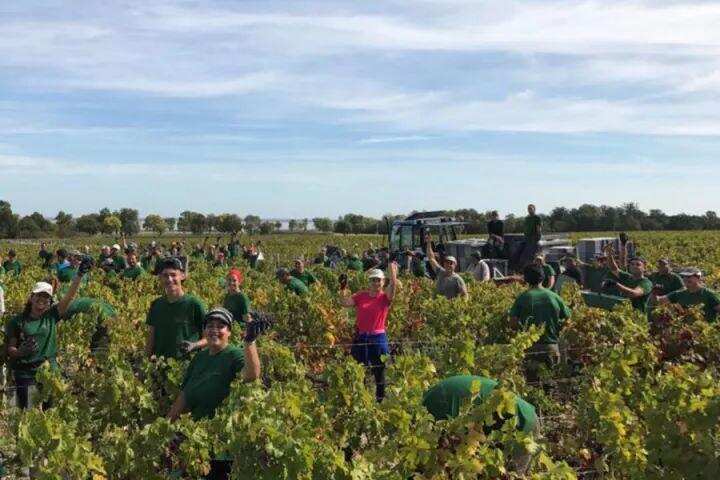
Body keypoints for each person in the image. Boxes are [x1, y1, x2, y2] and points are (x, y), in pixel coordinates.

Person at [168, 307, 263, 480]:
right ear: (204, 331)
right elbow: (184, 396)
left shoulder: (234, 355)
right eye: (210, 325)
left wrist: (250, 342)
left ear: (229, 332)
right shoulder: (199, 358)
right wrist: (167, 427)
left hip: (223, 448)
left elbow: (251, 375)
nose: (214, 330)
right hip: (195, 440)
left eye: (221, 326)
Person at [5, 257, 91, 408]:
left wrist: (79, 275)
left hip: (49, 372)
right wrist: (20, 351)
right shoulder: (17, 321)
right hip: (25, 374)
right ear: (32, 297)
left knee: (49, 414)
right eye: (39, 296)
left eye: (46, 298)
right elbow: (10, 349)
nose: (42, 300)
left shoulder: (52, 316)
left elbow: (69, 296)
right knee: (26, 416)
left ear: (50, 301)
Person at [422, 375, 537, 473]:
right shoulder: (431, 402)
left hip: (524, 424)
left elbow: (453, 448)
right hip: (514, 416)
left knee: (512, 473)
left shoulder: (433, 415)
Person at [339, 264, 398, 402]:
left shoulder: (385, 298)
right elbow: (344, 303)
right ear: (369, 282)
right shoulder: (361, 296)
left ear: (383, 282)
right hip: (362, 336)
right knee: (359, 370)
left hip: (378, 338)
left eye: (378, 280)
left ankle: (380, 400)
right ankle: (361, 398)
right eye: (373, 280)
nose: (376, 282)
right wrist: (342, 288)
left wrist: (393, 274)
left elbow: (393, 289)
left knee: (379, 371)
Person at [509, 264, 571, 381]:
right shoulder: (554, 297)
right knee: (551, 385)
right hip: (551, 347)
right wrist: (557, 329)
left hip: (530, 348)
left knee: (532, 385)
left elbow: (512, 323)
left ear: (526, 279)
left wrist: (522, 332)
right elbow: (568, 319)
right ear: (543, 278)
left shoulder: (523, 298)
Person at [145, 257, 207, 359]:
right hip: (159, 365)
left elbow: (207, 338)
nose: (169, 279)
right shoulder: (156, 305)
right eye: (165, 275)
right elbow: (150, 338)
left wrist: (194, 345)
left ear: (182, 276)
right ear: (160, 278)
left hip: (186, 366)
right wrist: (145, 362)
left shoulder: (194, 304)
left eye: (173, 275)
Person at [652, 268, 720, 322]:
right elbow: (659, 300)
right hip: (687, 334)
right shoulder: (680, 294)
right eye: (684, 276)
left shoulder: (709, 294)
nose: (686, 279)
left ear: (698, 278)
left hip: (705, 334)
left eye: (689, 276)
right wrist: (654, 292)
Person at [603, 245, 652, 313]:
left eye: (638, 264)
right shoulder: (628, 277)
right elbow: (613, 268)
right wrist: (609, 254)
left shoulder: (646, 282)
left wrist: (616, 284)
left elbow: (634, 293)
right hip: (625, 312)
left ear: (644, 268)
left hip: (638, 316)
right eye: (632, 264)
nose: (634, 266)